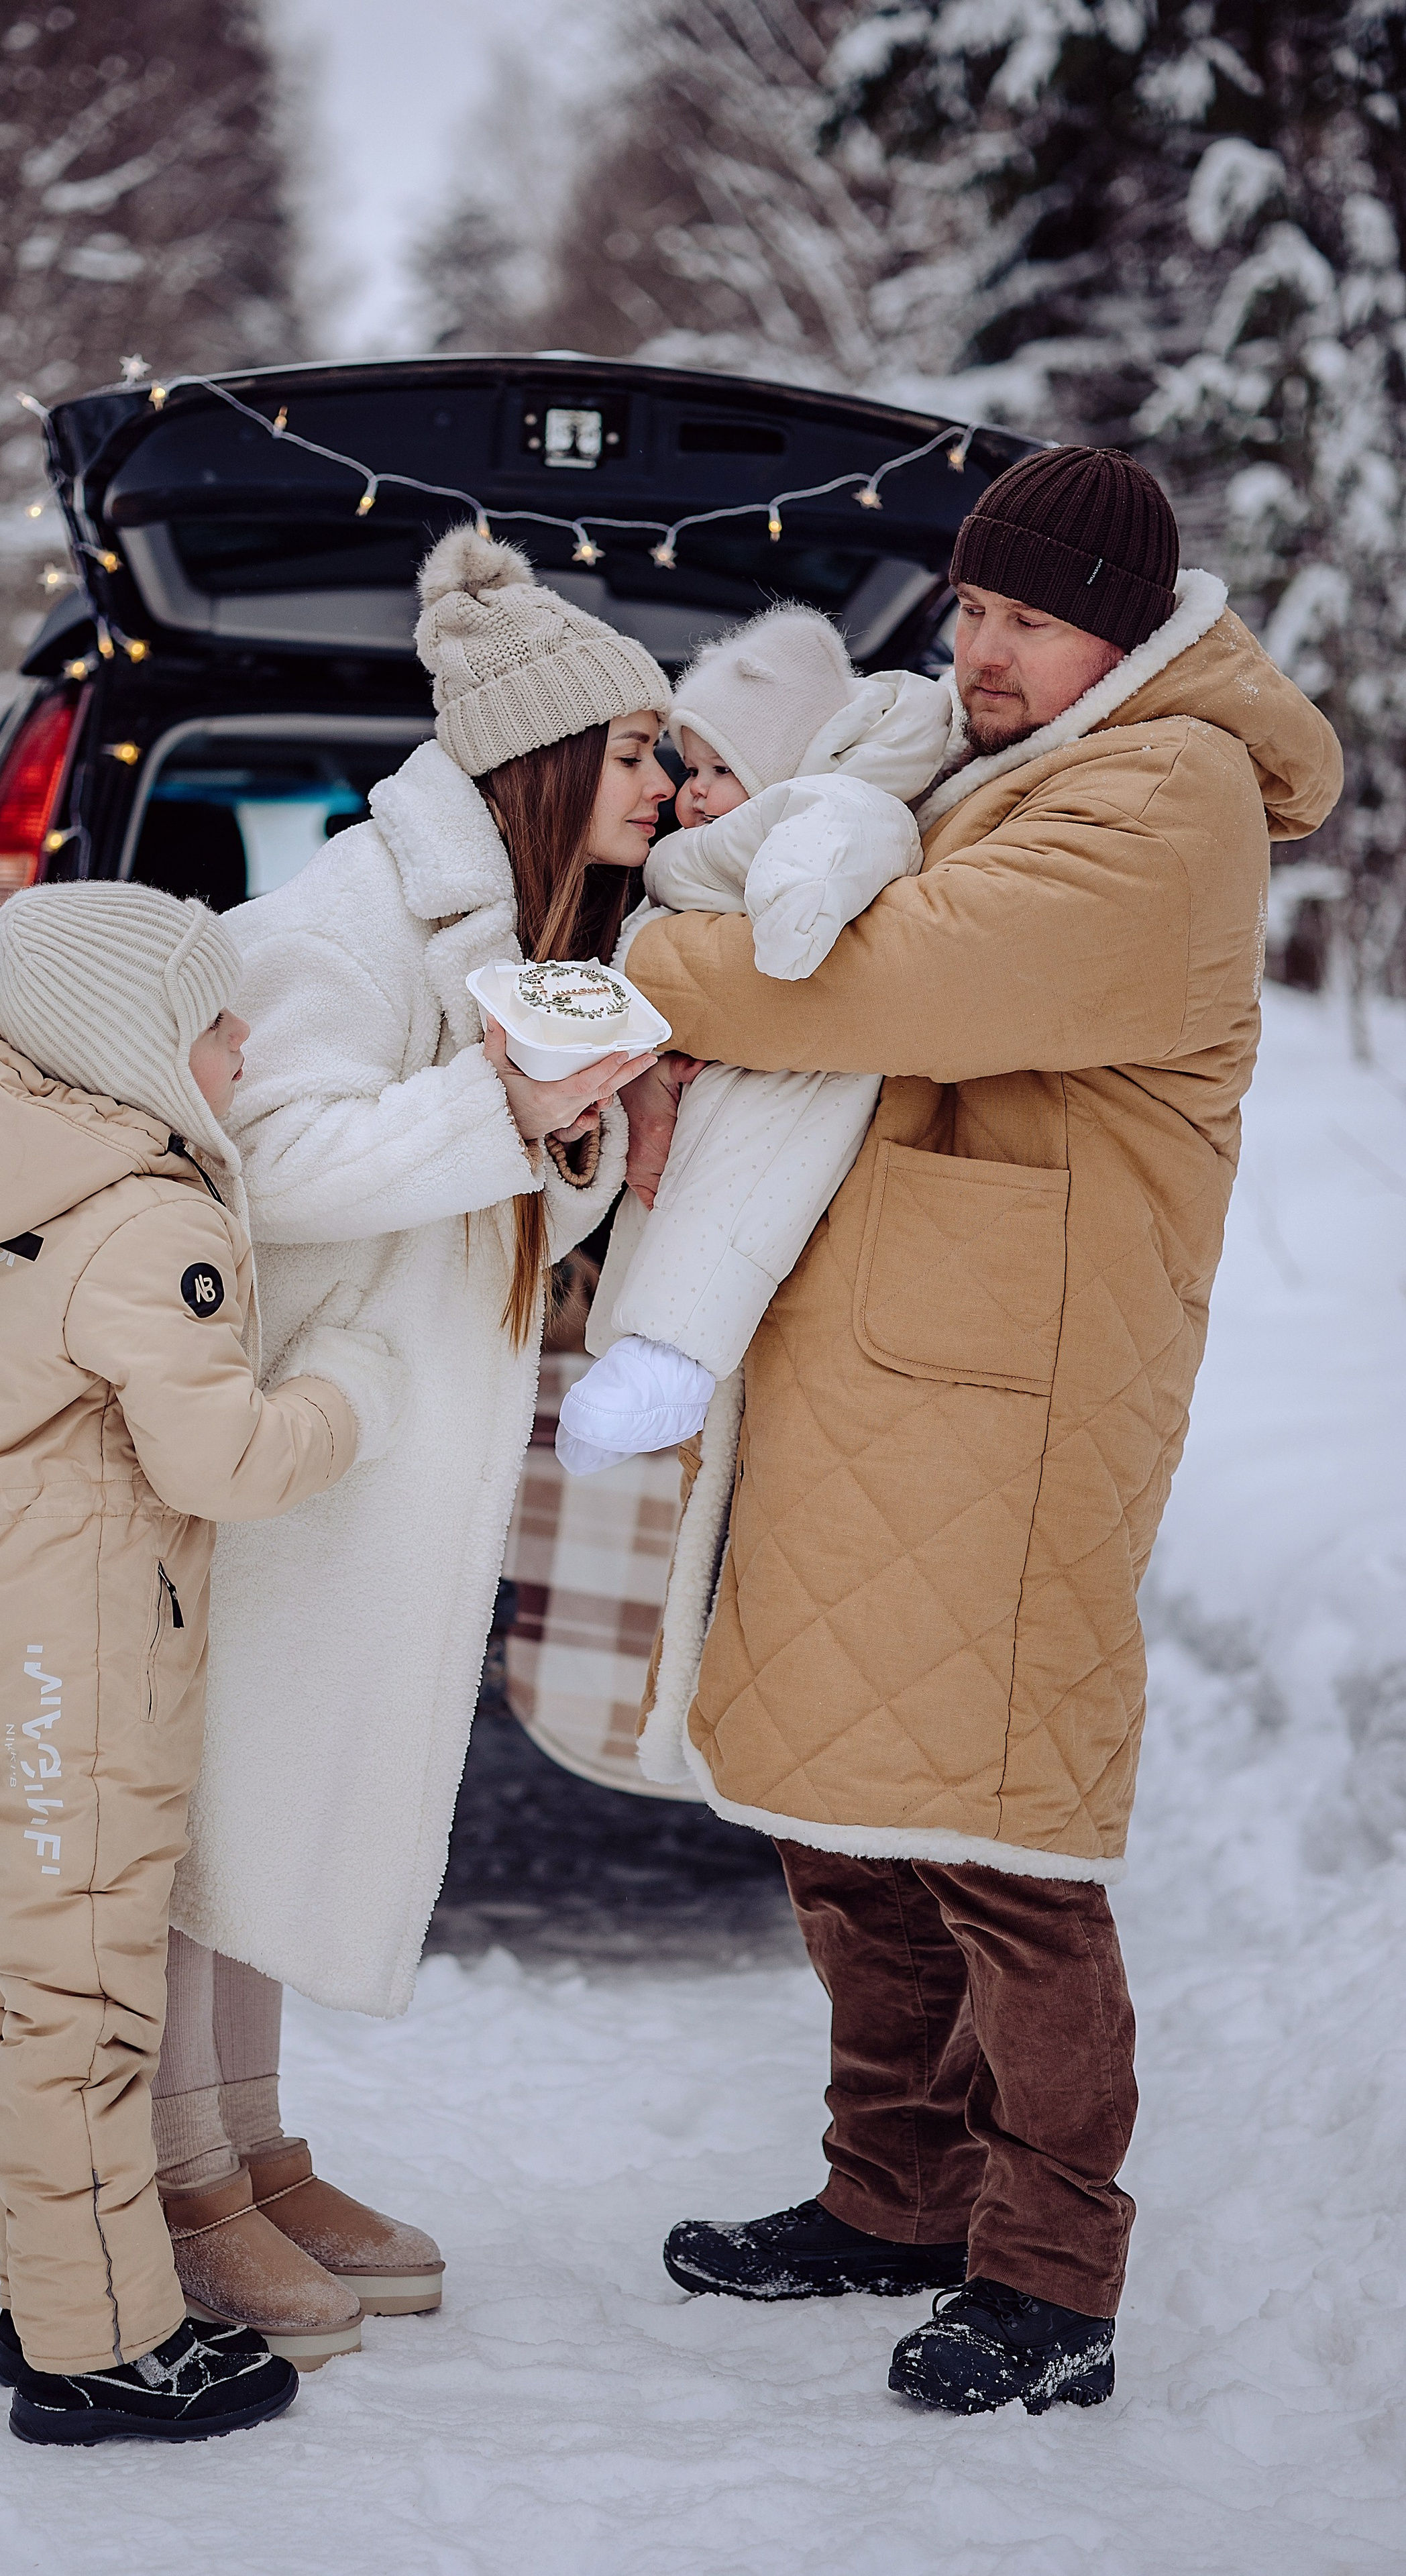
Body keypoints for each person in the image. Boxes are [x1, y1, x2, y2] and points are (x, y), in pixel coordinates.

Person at [623, 447, 1343, 2415]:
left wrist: (635, 972)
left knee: (1001, 1835)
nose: (981, 647)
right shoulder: (982, 749)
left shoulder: (1168, 791)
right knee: (838, 1803)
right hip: (881, 1357)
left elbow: (880, 974)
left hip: (1018, 1382)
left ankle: (1049, 2273)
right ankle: (895, 2193)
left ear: (1122, 623)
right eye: (972, 609)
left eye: (1024, 617)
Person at [150, 524, 671, 2346]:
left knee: (293, 1796)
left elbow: (498, 1177)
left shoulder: (521, 934)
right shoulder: (335, 924)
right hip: (305, 1430)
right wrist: (503, 1100)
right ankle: (174, 2174)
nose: (666, 785)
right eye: (635, 753)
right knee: (222, 1799)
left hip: (393, 1451)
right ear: (540, 765)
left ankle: (250, 2142)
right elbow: (270, 1166)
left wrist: (583, 1137)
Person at [0, 881, 402, 2445]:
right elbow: (225, 1462)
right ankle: (101, 2345)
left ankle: (64, 2281)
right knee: (84, 2001)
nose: (245, 1045)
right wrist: (350, 1386)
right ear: (140, 1044)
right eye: (216, 1019)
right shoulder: (153, 1217)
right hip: (79, 1668)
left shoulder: (19, 1159)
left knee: (42, 1978)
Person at [557, 605, 955, 1472]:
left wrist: (788, 924)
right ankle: (636, 1346)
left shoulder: (830, 799)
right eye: (687, 767)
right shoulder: (717, 844)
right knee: (673, 1201)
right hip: (724, 1052)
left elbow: (831, 848)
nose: (689, 791)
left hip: (793, 1058)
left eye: (718, 769)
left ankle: (671, 1357)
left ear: (784, 761)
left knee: (738, 1184)